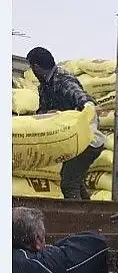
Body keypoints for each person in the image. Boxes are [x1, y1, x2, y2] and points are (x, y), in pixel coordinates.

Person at [26, 47, 105, 200]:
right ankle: (92, 215)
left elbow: (81, 98)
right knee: (74, 179)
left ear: (36, 67)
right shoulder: (45, 87)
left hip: (86, 140)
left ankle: (79, 222)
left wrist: (88, 105)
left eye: (32, 68)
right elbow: (42, 111)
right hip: (71, 141)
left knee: (69, 183)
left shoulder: (62, 80)